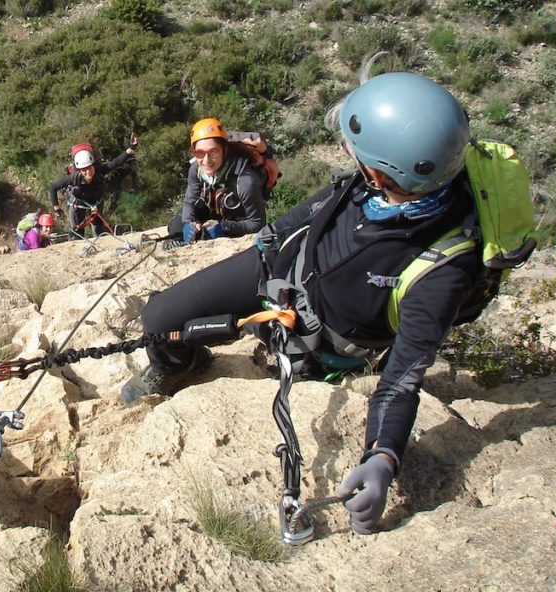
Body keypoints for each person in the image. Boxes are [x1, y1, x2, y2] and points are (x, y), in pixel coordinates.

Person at [120, 71, 480, 536]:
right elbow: (320, 205)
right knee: (158, 319)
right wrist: (266, 238)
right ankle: (179, 364)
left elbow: (403, 377)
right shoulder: (379, 184)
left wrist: (382, 456)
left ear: (383, 168)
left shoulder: (441, 270)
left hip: (318, 334)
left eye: (356, 150)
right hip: (275, 270)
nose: (348, 156)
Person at [165, 118, 275, 247]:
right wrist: (188, 223)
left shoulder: (246, 181)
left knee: (207, 233)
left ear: (224, 150)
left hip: (237, 216)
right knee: (175, 228)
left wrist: (224, 228)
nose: (206, 161)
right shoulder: (196, 169)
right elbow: (190, 201)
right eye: (200, 153)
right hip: (215, 206)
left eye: (213, 152)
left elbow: (257, 223)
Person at [49, 135, 137, 238]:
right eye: (83, 170)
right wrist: (57, 208)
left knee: (99, 229)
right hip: (78, 204)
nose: (88, 172)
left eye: (89, 168)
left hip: (96, 202)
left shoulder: (100, 171)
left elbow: (116, 162)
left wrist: (131, 149)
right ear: (79, 170)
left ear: (93, 165)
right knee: (77, 232)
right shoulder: (73, 178)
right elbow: (53, 187)